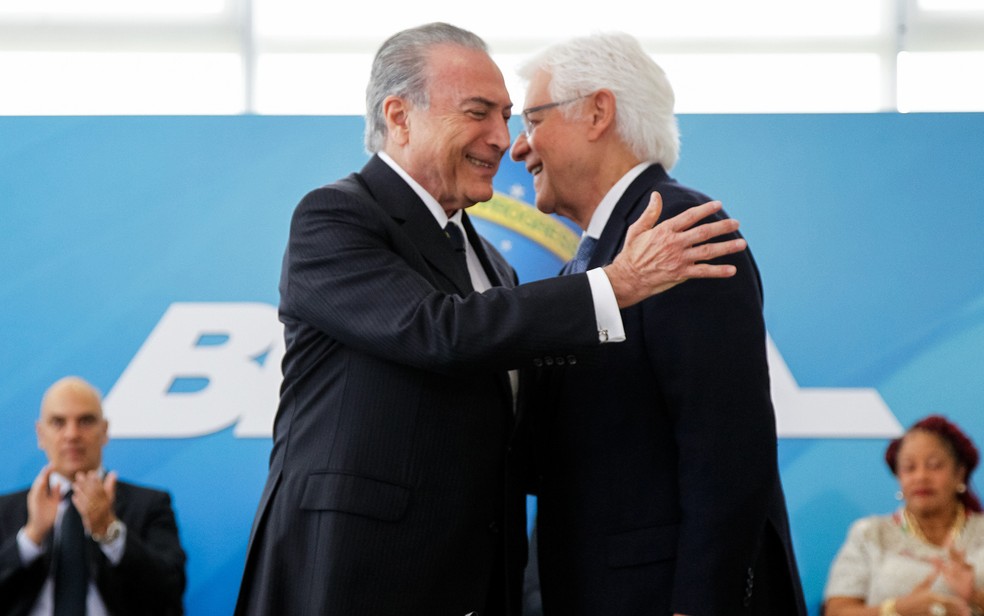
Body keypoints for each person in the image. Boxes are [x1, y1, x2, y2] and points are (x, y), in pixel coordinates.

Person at [233, 22, 749, 616]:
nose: (503, 140)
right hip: (353, 575)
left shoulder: (491, 268)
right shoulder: (336, 217)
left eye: (510, 117)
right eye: (480, 113)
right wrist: (618, 284)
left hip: (472, 585)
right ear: (399, 116)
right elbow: (437, 331)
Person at [509, 32, 806, 615]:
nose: (520, 148)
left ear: (598, 112)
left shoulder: (677, 230)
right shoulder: (598, 253)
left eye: (533, 120)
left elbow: (725, 447)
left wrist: (699, 605)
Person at [0, 376, 187, 616]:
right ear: (40, 434)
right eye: (58, 422)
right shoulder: (6, 510)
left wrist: (110, 531)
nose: (72, 434)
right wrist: (31, 536)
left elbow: (169, 592)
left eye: (85, 421)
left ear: (105, 430)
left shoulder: (149, 505)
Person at [824, 415, 984, 616]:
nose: (921, 476)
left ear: (960, 473)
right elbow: (837, 612)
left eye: (934, 465)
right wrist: (897, 609)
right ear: (899, 477)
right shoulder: (870, 533)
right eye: (909, 467)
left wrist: (975, 597)